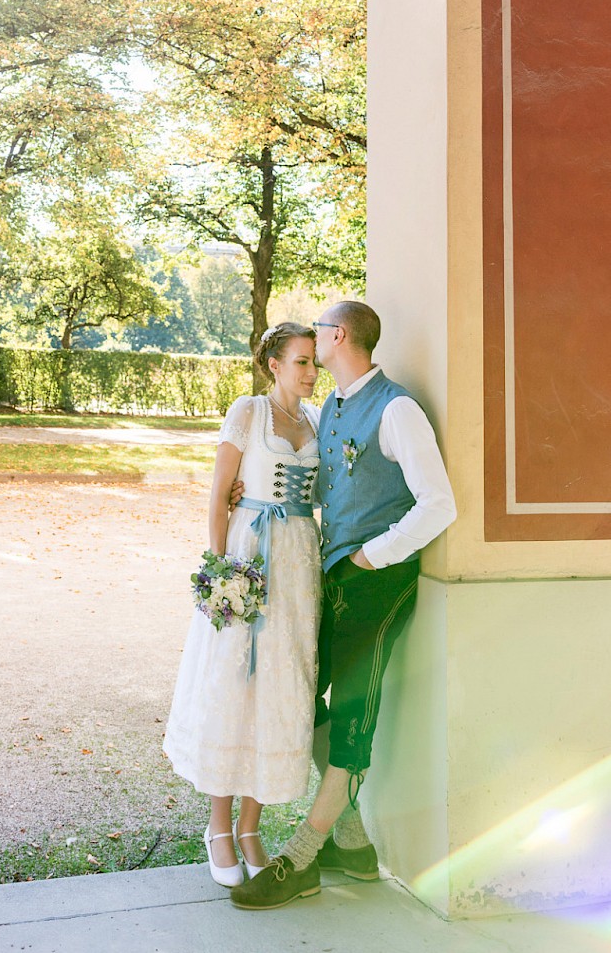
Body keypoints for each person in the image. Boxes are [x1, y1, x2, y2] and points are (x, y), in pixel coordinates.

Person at [231, 300, 457, 911]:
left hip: (376, 587)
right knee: (304, 701)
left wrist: (372, 557)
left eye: (319, 333)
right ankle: (352, 846)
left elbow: (438, 504)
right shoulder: (329, 406)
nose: (313, 345)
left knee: (353, 717)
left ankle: (303, 857)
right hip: (328, 581)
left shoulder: (398, 409)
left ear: (337, 336)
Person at [163, 323, 322, 886]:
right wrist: (221, 569)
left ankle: (253, 826)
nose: (310, 372)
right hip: (250, 555)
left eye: (314, 363)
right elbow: (218, 492)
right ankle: (219, 828)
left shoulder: (318, 420)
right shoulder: (248, 412)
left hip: (300, 566)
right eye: (301, 362)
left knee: (281, 689)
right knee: (235, 684)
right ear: (274, 364)